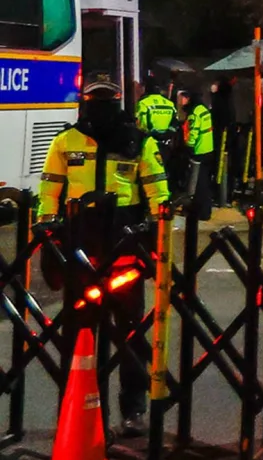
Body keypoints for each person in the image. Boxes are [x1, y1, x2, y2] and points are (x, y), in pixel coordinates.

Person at [39, 74, 170, 438]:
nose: (100, 104)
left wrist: (159, 238)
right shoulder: (65, 141)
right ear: (85, 101)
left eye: (107, 98)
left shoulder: (138, 141)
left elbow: (158, 191)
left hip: (125, 248)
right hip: (81, 250)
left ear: (118, 100)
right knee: (80, 335)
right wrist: (47, 233)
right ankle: (79, 406)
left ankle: (133, 409)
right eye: (94, 98)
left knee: (131, 336)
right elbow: (49, 190)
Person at [177, 90, 215, 220]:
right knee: (204, 182)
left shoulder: (194, 113)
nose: (182, 101)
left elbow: (193, 133)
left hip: (198, 151)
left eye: (184, 98)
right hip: (208, 149)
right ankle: (205, 210)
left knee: (198, 183)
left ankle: (201, 212)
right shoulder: (203, 109)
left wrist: (188, 147)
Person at [135, 76, 179, 183]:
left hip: (149, 144)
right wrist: (167, 134)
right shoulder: (169, 103)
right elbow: (175, 122)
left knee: (150, 174)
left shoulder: (143, 103)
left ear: (146, 88)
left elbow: (141, 125)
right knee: (164, 171)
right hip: (166, 143)